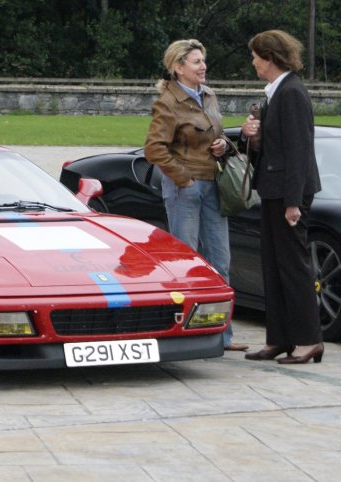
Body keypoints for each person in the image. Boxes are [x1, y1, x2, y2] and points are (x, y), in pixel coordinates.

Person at [145, 39, 247, 352]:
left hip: (213, 185)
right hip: (184, 190)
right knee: (185, 263)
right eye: (195, 62)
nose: (203, 67)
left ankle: (222, 335)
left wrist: (223, 147)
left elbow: (216, 135)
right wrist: (184, 179)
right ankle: (185, 336)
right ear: (178, 67)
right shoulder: (168, 101)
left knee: (220, 260)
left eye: (203, 61)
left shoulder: (210, 95)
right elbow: (154, 148)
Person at [241, 30, 324, 364]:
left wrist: (293, 202)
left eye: (255, 56)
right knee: (274, 267)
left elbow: (299, 151)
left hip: (289, 194)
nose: (253, 62)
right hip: (274, 191)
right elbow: (275, 147)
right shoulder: (275, 93)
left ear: (270, 57)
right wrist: (255, 137)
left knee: (293, 268)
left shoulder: (291, 92)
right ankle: (280, 338)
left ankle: (308, 340)